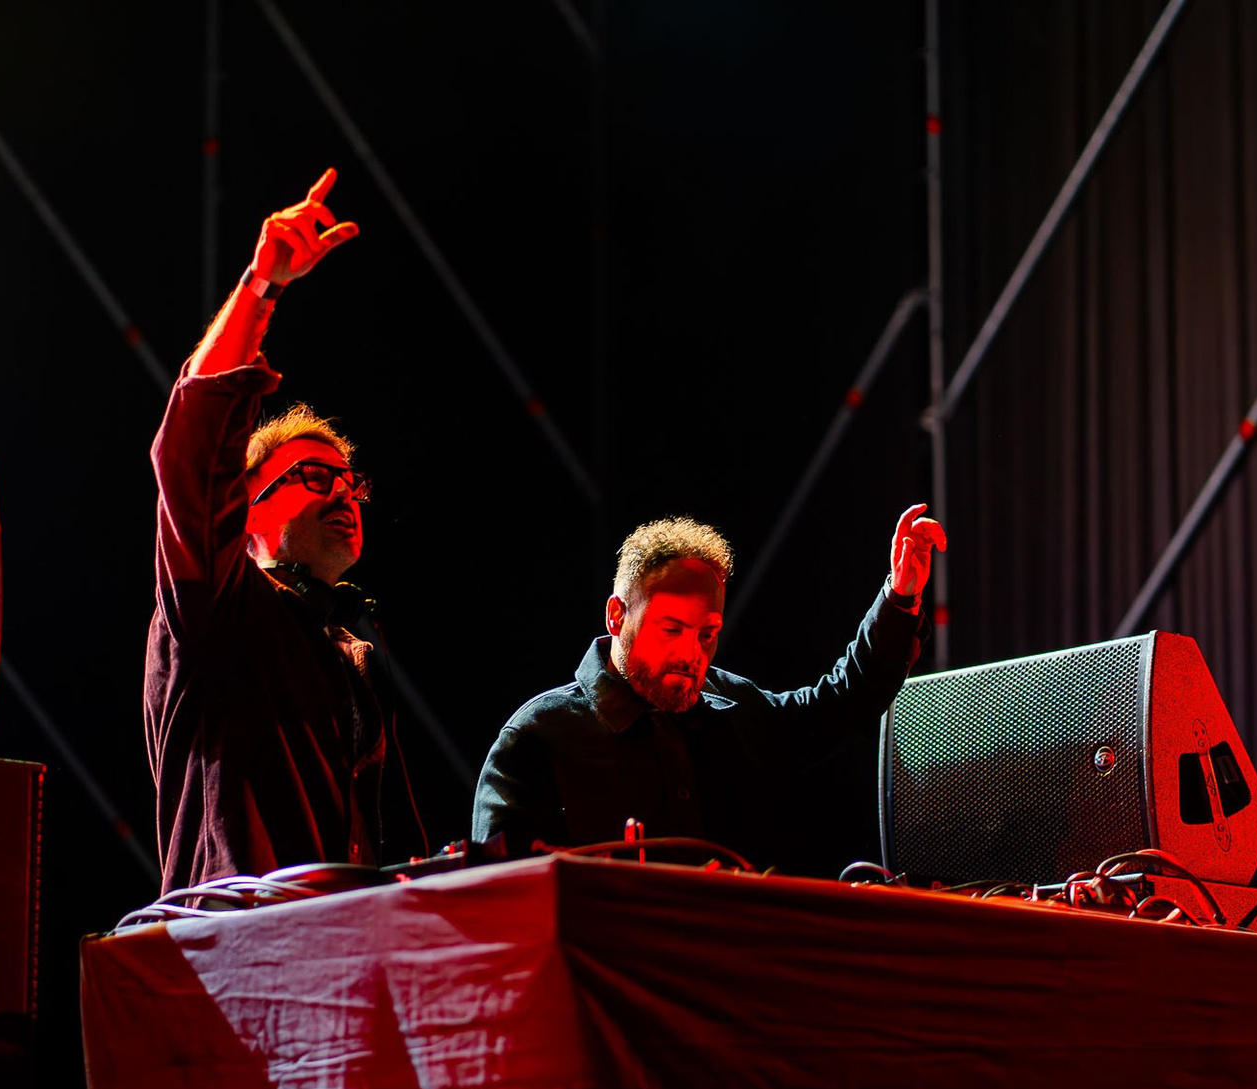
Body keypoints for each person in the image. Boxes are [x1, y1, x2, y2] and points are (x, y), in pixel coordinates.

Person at [146, 169, 423, 892]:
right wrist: (260, 287)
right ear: (246, 508)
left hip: (341, 941)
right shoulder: (220, 606)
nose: (344, 493)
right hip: (239, 941)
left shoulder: (353, 647)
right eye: (314, 477)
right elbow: (190, 444)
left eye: (349, 482)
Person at [470, 508, 946, 874]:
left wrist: (901, 595)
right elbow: (495, 901)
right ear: (617, 616)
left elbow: (843, 703)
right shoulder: (539, 737)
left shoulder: (736, 711)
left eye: (707, 634)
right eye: (671, 629)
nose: (690, 654)